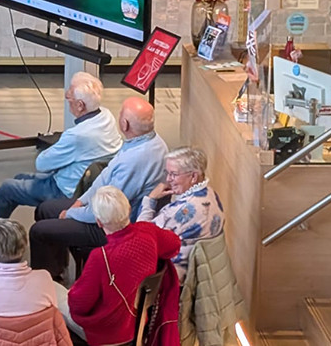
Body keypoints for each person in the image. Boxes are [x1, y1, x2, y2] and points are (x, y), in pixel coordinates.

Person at [29, 97, 168, 281]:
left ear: (124, 124)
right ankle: (55, 271)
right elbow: (104, 176)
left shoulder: (135, 160)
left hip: (113, 225)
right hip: (105, 207)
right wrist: (80, 201)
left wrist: (72, 213)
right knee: (45, 209)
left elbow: (106, 212)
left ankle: (43, 285)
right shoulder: (148, 141)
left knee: (39, 231)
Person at [0, 72, 122, 218]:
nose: (67, 98)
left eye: (69, 97)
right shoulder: (107, 116)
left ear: (80, 105)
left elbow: (42, 163)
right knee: (19, 177)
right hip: (85, 182)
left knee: (7, 188)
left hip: (65, 190)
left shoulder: (77, 135)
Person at [67, 186, 180, 345]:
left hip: (109, 334)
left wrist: (73, 290)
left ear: (99, 222)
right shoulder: (148, 231)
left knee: (52, 298)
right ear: (128, 209)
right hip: (140, 323)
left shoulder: (100, 257)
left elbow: (79, 305)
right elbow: (174, 244)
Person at [137, 147, 224, 282]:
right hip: (200, 276)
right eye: (167, 173)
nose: (168, 179)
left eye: (174, 174)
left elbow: (139, 238)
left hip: (168, 280)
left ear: (193, 176)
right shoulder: (211, 194)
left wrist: (150, 199)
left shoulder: (182, 212)